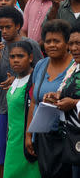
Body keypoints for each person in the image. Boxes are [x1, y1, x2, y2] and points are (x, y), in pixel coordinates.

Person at [0, 6, 43, 178]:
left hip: (26, 108)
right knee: (3, 153)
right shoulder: (1, 47)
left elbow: (41, 72)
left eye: (8, 27)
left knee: (26, 152)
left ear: (18, 25)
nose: (4, 31)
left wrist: (20, 80)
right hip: (6, 106)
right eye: (1, 27)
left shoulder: (31, 45)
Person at [25, 20, 74, 178]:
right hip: (44, 137)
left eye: (57, 41)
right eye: (48, 41)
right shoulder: (40, 65)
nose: (52, 45)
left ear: (67, 44)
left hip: (69, 137)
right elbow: (34, 101)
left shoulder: (75, 66)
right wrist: (28, 135)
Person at [43, 24, 80, 178]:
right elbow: (65, 90)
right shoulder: (74, 67)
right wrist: (56, 96)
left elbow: (75, 100)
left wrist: (74, 103)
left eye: (78, 43)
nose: (74, 48)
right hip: (73, 137)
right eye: (71, 43)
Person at [3, 41, 40, 178]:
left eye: (20, 56)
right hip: (13, 143)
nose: (16, 60)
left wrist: (29, 137)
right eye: (12, 57)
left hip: (28, 144)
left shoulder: (35, 81)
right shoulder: (14, 81)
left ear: (30, 58)